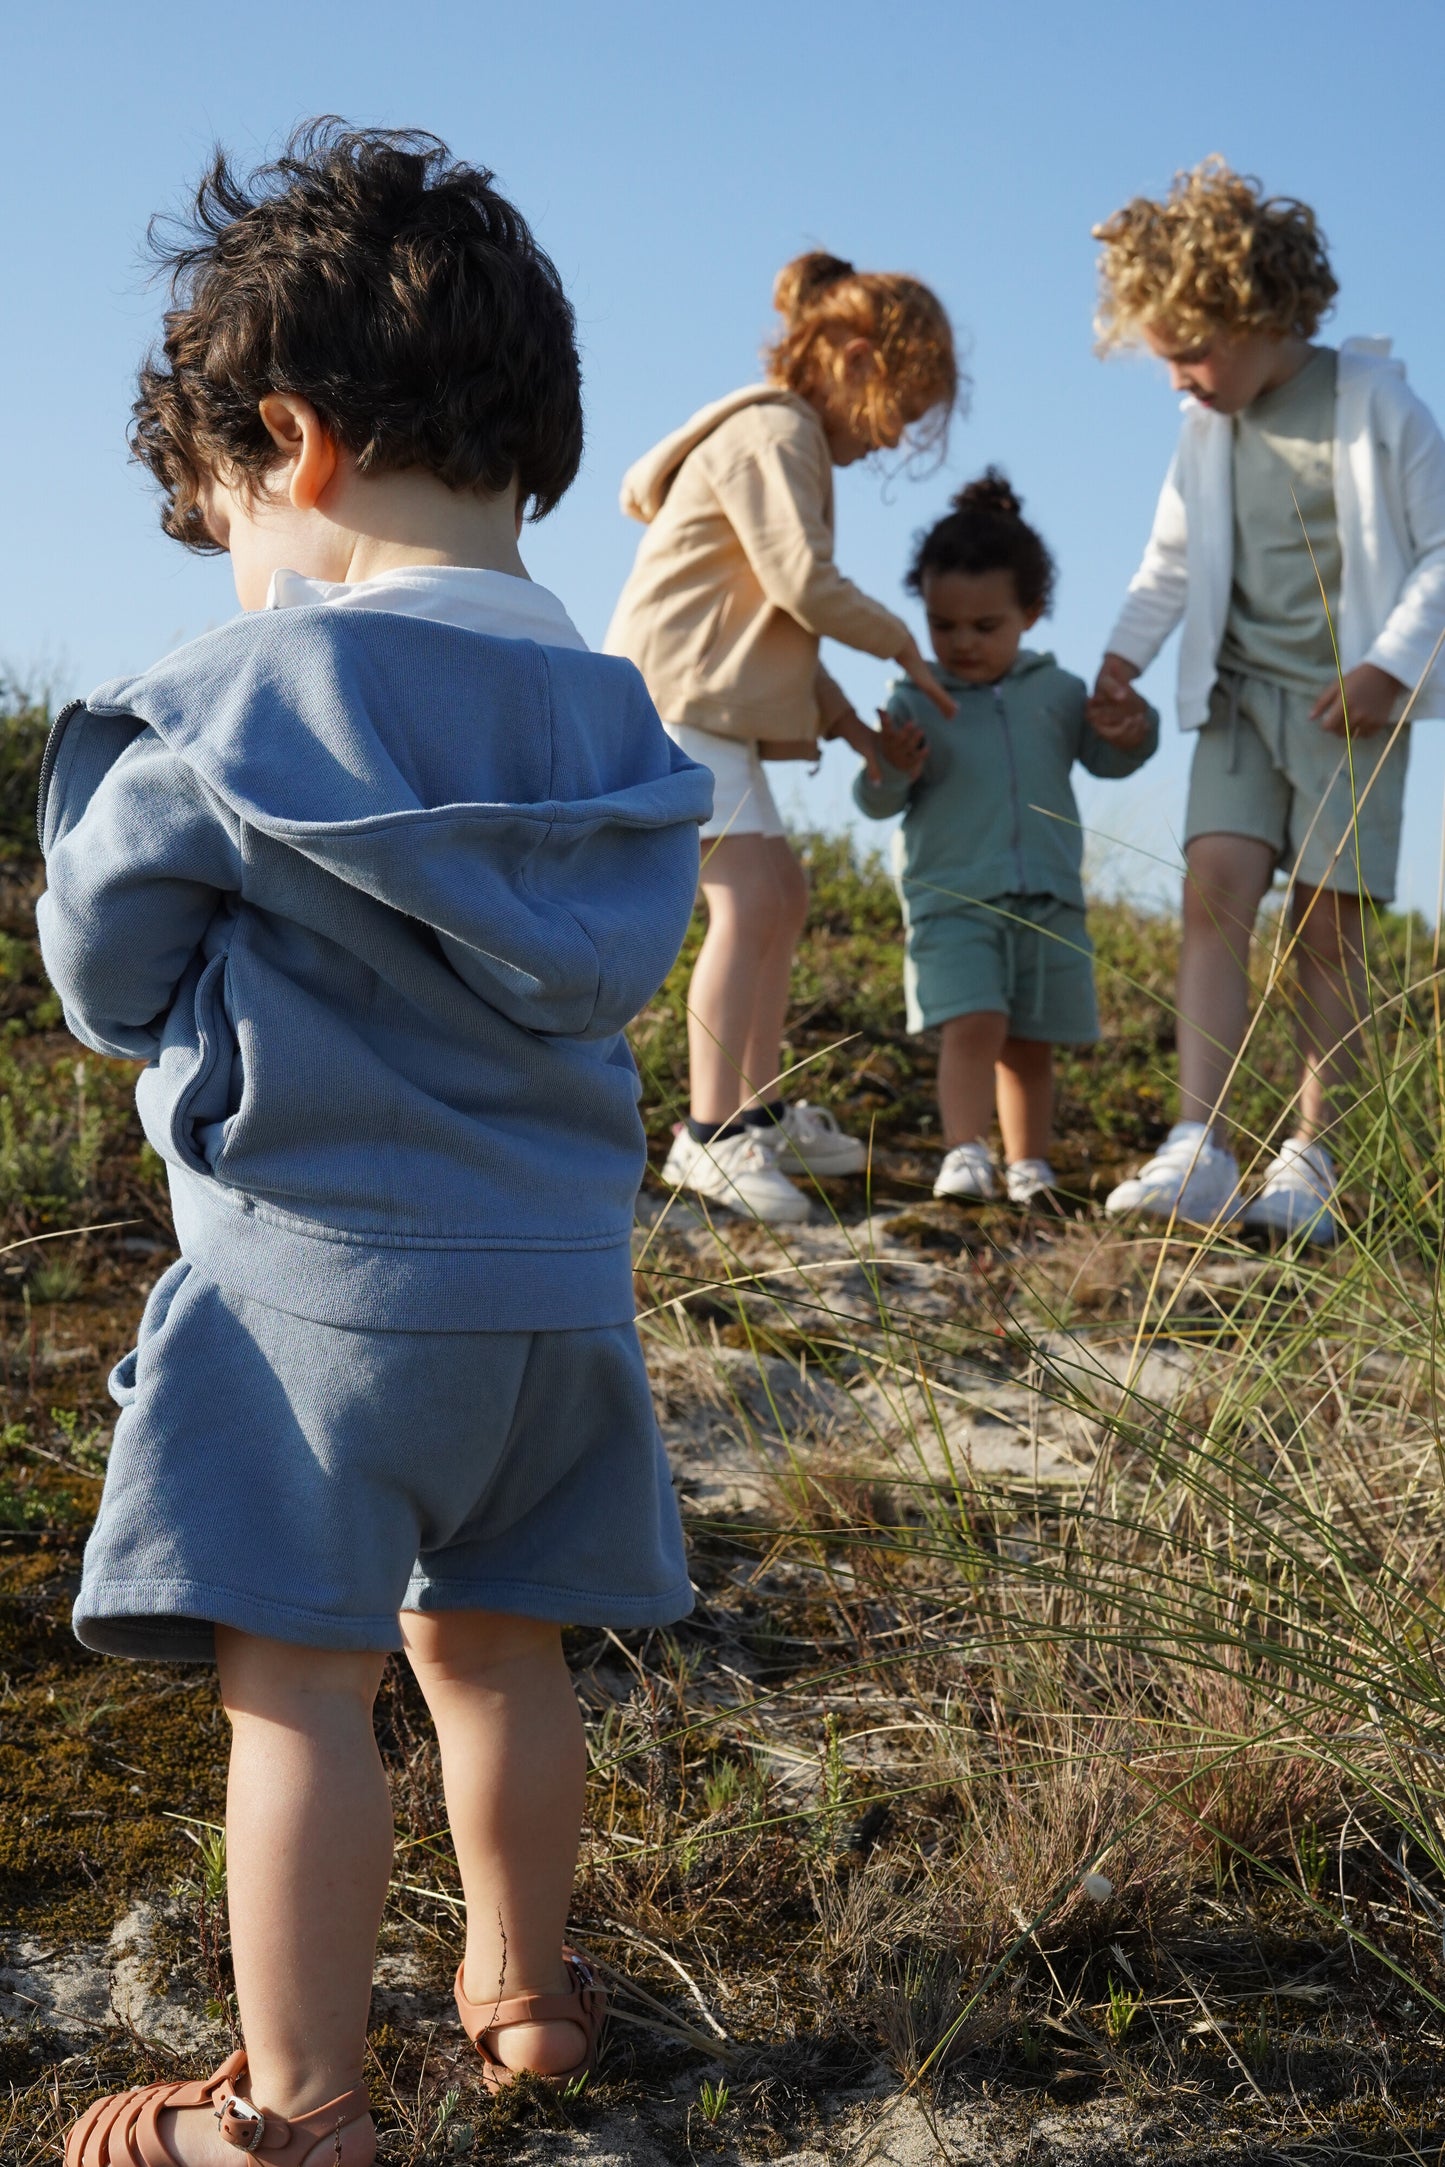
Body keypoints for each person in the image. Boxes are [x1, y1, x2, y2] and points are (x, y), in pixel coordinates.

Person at [45, 124, 711, 2167]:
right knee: (494, 1651)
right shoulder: (615, 723)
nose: (232, 568)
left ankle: (292, 2109)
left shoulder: (232, 698)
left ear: (292, 444)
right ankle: (523, 2001)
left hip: (311, 1302)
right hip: (552, 1304)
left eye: (223, 515)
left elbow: (106, 953)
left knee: (299, 1690)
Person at [1091, 158, 1445, 1243]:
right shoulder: (1205, 428)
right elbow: (1166, 562)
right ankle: (1196, 1145)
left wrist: (1388, 662)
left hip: (1351, 709)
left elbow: (1439, 548)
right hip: (1239, 698)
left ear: (1259, 316)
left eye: (1191, 353)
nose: (1177, 380)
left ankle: (1311, 1154)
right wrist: (1120, 659)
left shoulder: (1372, 404)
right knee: (1211, 890)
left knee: (1322, 928)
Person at [606, 252, 960, 1223]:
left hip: (700, 704)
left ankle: (753, 1114)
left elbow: (775, 620)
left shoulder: (784, 436)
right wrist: (904, 647)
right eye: (901, 405)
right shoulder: (775, 432)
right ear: (852, 359)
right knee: (748, 899)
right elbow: (803, 585)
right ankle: (710, 1136)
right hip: (675, 702)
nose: (893, 438)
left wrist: (848, 725)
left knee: (781, 894)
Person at [855, 473, 1157, 1205]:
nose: (960, 643)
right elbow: (876, 799)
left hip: (1047, 898)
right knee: (974, 1021)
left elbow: (1111, 757)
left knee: (1028, 1044)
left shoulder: (1057, 692)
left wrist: (1135, 724)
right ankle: (964, 1152)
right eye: (941, 626)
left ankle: (1029, 1168)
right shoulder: (912, 699)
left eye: (983, 627)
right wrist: (890, 766)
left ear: (1031, 612)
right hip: (951, 896)